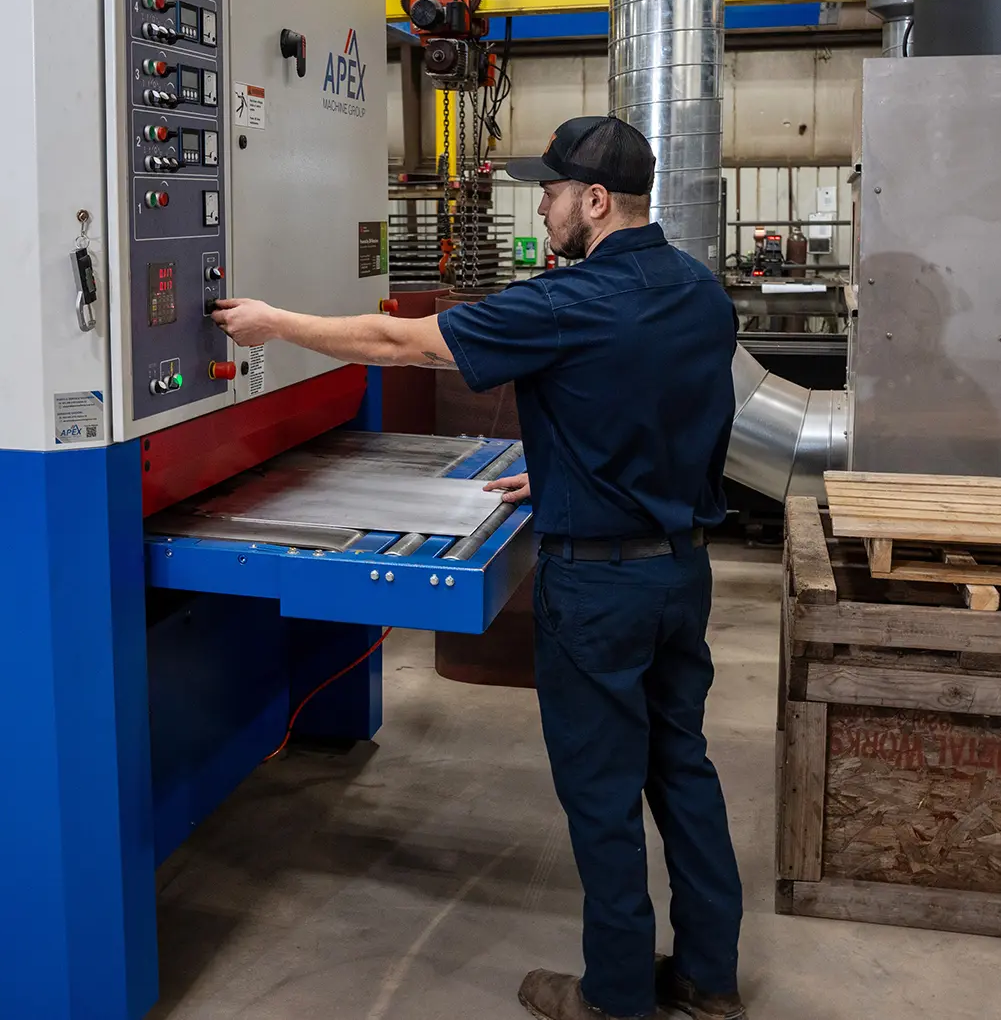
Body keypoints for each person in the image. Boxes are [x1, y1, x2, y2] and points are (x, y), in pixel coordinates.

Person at [209, 115, 747, 1020]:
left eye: (548, 191)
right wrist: (568, 467)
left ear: (594, 200)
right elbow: (665, 410)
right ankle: (708, 980)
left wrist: (272, 324)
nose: (539, 207)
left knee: (603, 792)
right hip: (679, 575)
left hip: (600, 588)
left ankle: (615, 996)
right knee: (681, 768)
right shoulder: (698, 291)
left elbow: (401, 345)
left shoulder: (568, 300)